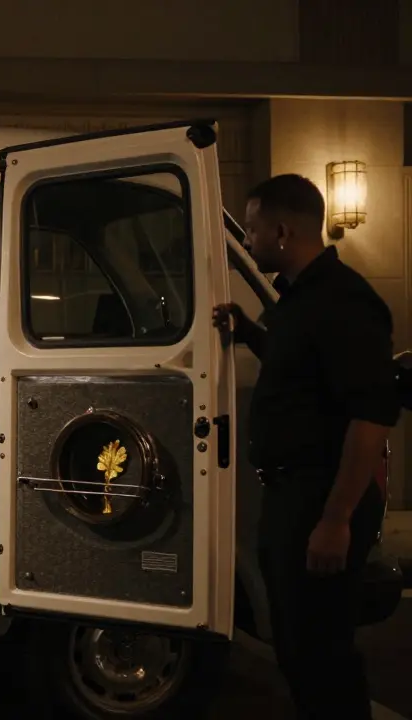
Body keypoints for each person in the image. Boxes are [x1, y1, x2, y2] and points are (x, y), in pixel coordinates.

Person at [213, 174, 395, 720]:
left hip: (320, 497)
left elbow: (370, 418)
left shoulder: (346, 303)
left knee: (322, 651)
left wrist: (336, 518)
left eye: (252, 227)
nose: (247, 240)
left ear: (283, 231)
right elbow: (301, 374)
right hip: (292, 495)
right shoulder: (297, 302)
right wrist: (249, 332)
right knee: (295, 646)